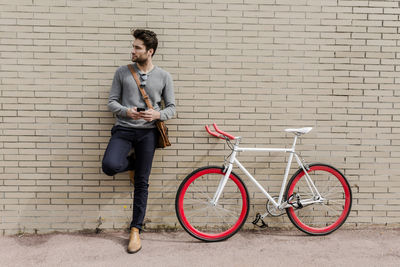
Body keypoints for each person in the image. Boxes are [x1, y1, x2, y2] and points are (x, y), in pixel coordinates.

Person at [101, 29, 176, 254]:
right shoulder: (122, 72)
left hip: (148, 134)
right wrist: (127, 112)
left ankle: (135, 229)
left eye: (137, 48)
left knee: (142, 182)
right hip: (123, 130)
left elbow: (172, 108)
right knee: (110, 166)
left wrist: (158, 115)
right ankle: (132, 163)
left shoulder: (164, 76)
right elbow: (112, 102)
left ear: (149, 52)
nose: (132, 51)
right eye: (133, 46)